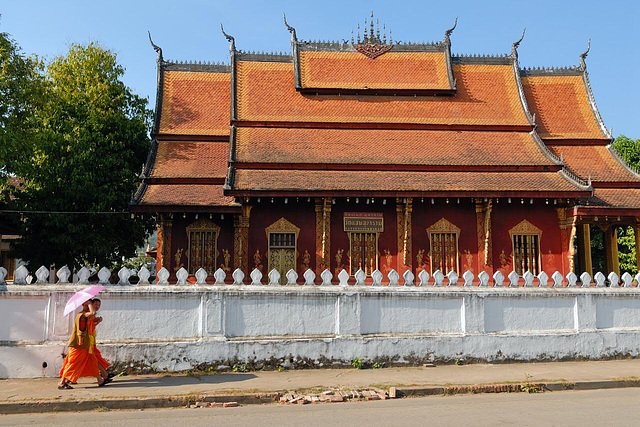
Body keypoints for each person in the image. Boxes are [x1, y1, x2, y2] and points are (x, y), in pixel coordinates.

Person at [58, 299, 107, 389]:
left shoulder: (86, 316)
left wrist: (97, 322)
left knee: (92, 361)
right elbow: (92, 313)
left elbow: (88, 327)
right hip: (80, 345)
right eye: (90, 305)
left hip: (86, 344)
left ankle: (100, 379)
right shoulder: (82, 315)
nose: (91, 307)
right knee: (72, 363)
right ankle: (62, 382)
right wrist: (89, 303)